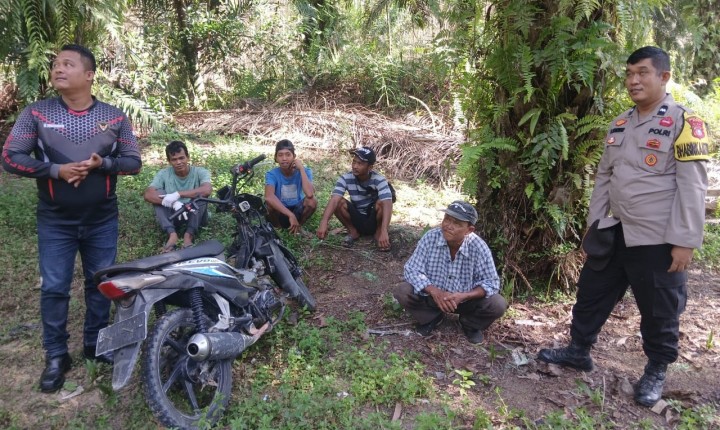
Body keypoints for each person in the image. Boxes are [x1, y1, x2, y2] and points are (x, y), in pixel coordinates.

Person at [536, 46, 710, 407]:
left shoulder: (683, 122)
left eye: (642, 73)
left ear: (664, 76)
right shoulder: (620, 122)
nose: (633, 80)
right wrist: (594, 223)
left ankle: (656, 370)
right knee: (591, 293)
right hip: (613, 229)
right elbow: (604, 176)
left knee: (660, 308)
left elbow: (693, 186)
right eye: (629, 73)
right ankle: (578, 350)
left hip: (657, 237)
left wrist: (684, 240)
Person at [2, 44, 142, 392]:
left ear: (89, 75)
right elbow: (10, 157)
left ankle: (95, 346)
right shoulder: (36, 114)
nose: (58, 69)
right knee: (54, 287)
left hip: (102, 219)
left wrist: (103, 164)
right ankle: (55, 356)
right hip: (55, 220)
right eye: (55, 64)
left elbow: (133, 162)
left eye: (67, 64)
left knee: (99, 285)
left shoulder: (115, 117)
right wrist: (55, 170)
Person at [393, 201, 507, 343]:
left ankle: (470, 324)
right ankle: (431, 317)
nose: (448, 226)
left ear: (469, 230)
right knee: (402, 291)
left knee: (498, 304)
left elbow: (491, 283)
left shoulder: (478, 247)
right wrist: (435, 292)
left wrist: (464, 296)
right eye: (447, 219)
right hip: (433, 297)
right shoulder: (431, 237)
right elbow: (412, 269)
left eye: (457, 223)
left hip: (465, 301)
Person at [316, 146, 393, 250]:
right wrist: (324, 221)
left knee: (382, 202)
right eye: (354, 162)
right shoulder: (345, 178)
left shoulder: (379, 180)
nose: (355, 166)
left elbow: (388, 202)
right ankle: (353, 232)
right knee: (339, 202)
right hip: (357, 218)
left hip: (373, 218)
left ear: (370, 167)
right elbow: (334, 200)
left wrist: (385, 230)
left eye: (360, 163)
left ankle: (379, 233)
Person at [143, 140, 212, 252]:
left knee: (201, 196)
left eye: (181, 158)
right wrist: (173, 202)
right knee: (158, 194)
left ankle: (188, 235)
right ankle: (172, 234)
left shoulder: (200, 172)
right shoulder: (164, 174)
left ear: (188, 157)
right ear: (169, 161)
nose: (179, 162)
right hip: (174, 214)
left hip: (195, 213)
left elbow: (207, 189)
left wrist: (178, 194)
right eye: (174, 159)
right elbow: (148, 194)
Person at [264, 139, 316, 234]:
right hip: (280, 210)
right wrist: (290, 215)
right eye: (280, 155)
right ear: (276, 158)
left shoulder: (305, 171)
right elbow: (268, 197)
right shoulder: (272, 174)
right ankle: (278, 229)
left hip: (297, 208)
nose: (284, 158)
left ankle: (298, 227)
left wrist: (301, 169)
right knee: (268, 205)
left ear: (294, 157)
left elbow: (309, 194)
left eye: (288, 154)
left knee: (312, 202)